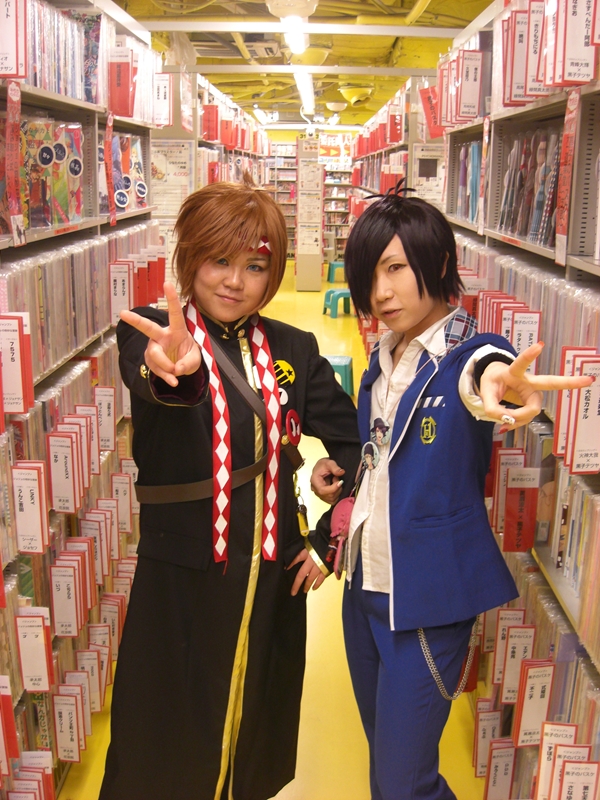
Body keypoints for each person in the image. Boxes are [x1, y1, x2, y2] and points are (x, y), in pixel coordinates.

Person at [310, 192, 594, 800]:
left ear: (439, 262)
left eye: (395, 268)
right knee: (386, 766)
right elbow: (386, 458)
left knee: (404, 782)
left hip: (426, 602)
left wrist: (500, 379)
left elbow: (483, 369)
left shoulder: (464, 352)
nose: (380, 292)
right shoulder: (382, 360)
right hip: (364, 589)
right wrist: (347, 478)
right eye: (368, 275)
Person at [99, 177, 360, 800]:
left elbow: (358, 445)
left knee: (251, 742)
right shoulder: (151, 333)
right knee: (160, 745)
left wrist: (331, 538)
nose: (234, 281)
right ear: (190, 257)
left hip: (272, 578)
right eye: (219, 259)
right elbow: (165, 380)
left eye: (255, 266)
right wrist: (178, 370)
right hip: (181, 580)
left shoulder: (294, 348)